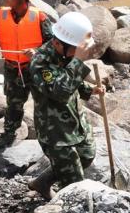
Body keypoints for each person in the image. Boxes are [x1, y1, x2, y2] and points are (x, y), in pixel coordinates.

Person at [28, 12, 104, 200]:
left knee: (87, 155)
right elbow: (59, 92)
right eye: (75, 50)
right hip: (56, 132)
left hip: (75, 120)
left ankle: (42, 182)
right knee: (74, 182)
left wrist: (89, 89)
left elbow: (71, 81)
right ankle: (71, 211)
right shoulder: (40, 63)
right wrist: (78, 60)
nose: (78, 54)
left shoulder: (65, 53)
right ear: (58, 43)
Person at [0, 0, 53, 150]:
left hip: (36, 69)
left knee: (42, 105)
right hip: (12, 69)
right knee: (13, 104)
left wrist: (38, 52)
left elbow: (53, 45)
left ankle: (48, 138)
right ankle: (9, 134)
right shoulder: (0, 17)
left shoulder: (40, 18)